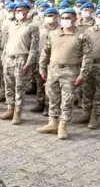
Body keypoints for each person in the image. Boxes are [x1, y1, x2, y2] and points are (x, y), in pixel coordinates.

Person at [37, 8, 92, 140]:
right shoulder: (54, 34)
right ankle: (52, 123)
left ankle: (63, 126)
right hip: (53, 70)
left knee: (67, 100)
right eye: (64, 18)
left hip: (70, 71)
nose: (66, 20)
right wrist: (42, 68)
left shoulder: (82, 36)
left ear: (75, 19)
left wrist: (82, 75)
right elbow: (45, 52)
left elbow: (87, 57)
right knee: (52, 98)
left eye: (69, 18)